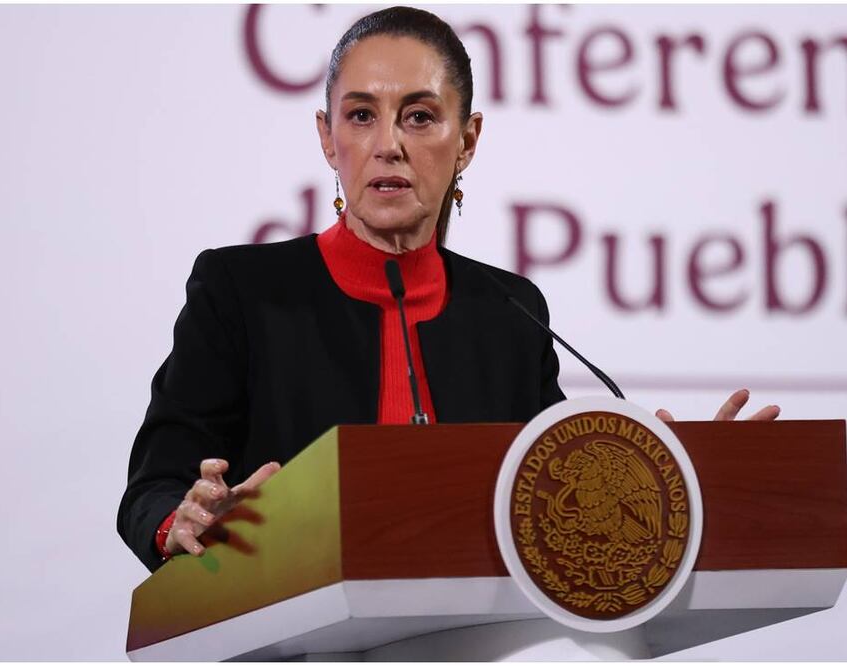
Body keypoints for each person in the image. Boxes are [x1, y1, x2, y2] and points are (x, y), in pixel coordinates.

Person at [117, 6, 778, 573]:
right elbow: (153, 488)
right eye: (360, 115)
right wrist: (181, 519)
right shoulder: (241, 291)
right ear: (327, 138)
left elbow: (556, 505)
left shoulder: (510, 313)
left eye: (419, 117)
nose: (387, 145)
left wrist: (676, 483)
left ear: (467, 140)